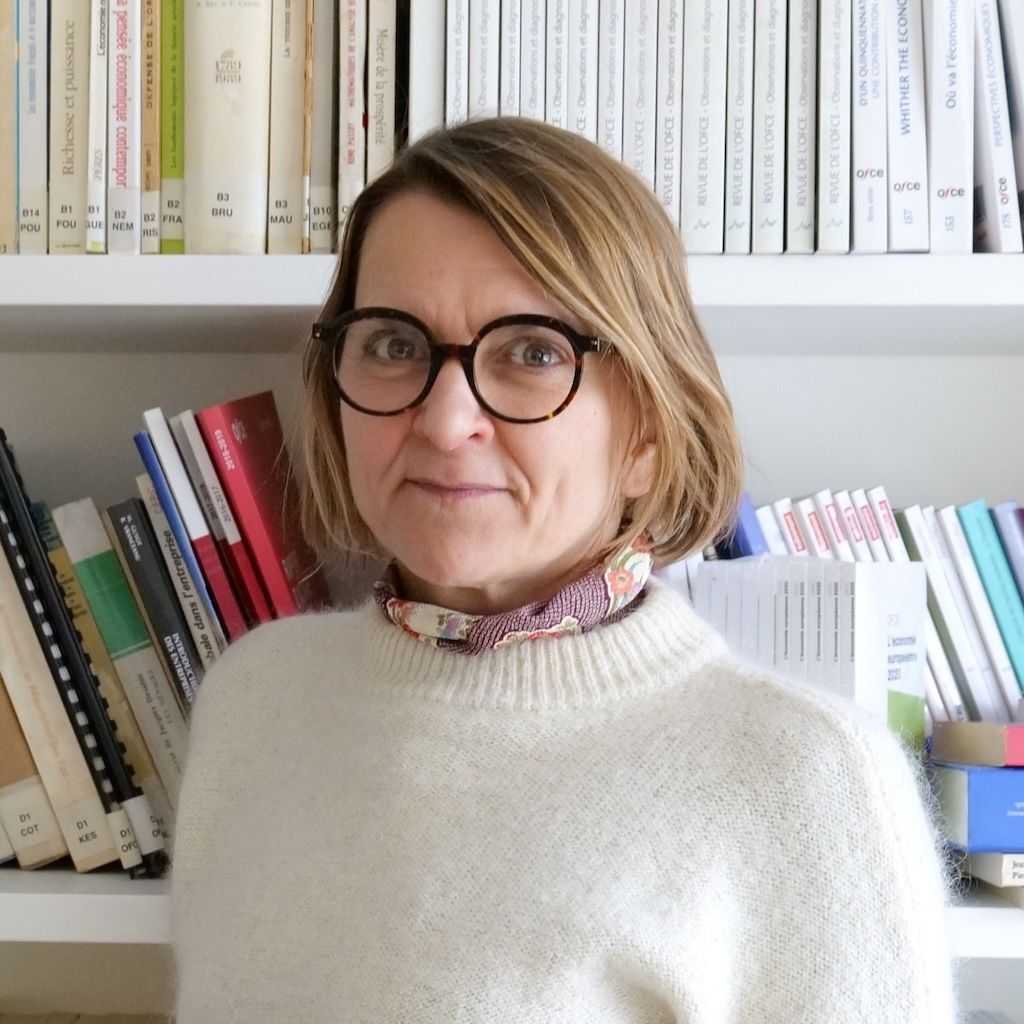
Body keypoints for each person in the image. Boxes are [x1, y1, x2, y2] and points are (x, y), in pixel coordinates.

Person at [170, 117, 958, 1022]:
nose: (444, 422)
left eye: (533, 352)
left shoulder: (806, 785)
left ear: (649, 431)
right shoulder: (251, 701)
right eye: (393, 344)